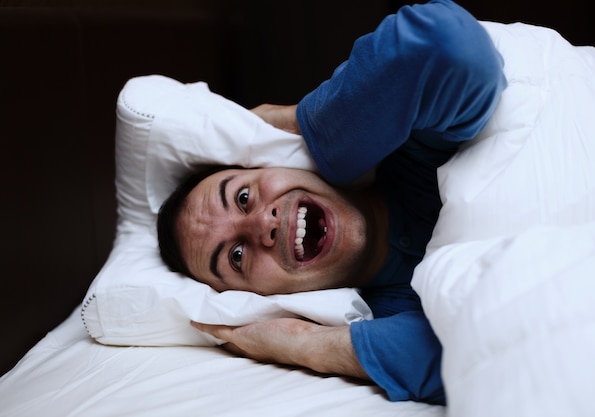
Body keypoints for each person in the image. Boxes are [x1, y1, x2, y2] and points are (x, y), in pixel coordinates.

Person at [157, 0, 506, 405]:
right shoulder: (394, 319)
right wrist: (307, 343)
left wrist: (300, 123)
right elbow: (486, 351)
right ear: (257, 299)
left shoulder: (417, 149)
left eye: (244, 196)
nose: (261, 226)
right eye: (236, 256)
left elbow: (446, 44)